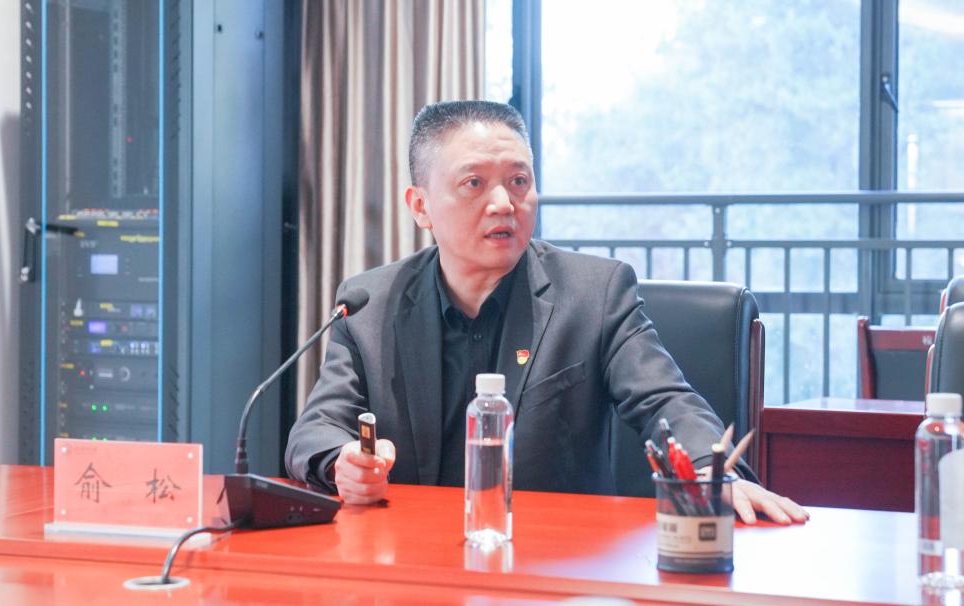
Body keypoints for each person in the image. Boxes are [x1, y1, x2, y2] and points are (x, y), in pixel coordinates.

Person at [285, 100, 808, 525]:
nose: (503, 203)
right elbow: (317, 429)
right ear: (420, 205)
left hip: (554, 560)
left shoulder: (595, 293)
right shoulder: (369, 303)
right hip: (410, 561)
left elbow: (664, 399)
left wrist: (709, 470)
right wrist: (342, 463)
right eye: (474, 183)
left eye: (519, 181)